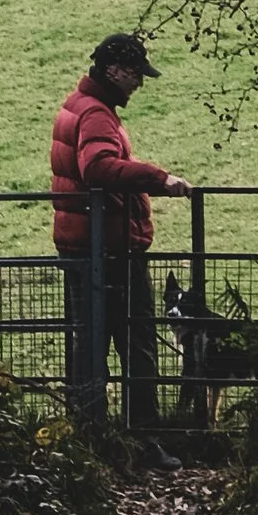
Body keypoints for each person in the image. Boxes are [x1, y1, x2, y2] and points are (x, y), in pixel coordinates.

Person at [51, 31, 182, 433]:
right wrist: (158, 179)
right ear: (114, 70)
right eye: (135, 73)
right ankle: (143, 434)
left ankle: (87, 430)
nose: (139, 82)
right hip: (108, 248)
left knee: (88, 340)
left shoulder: (81, 106)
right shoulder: (95, 114)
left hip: (85, 244)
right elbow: (99, 167)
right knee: (135, 340)